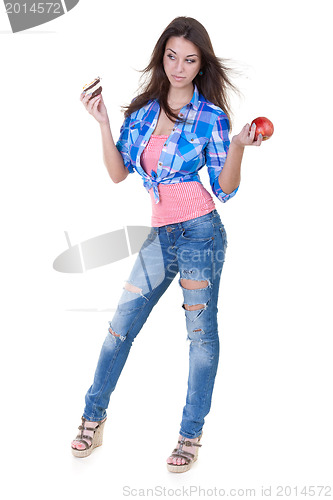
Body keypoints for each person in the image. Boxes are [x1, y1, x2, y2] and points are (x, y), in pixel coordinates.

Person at [71, 16, 262, 472]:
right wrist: (101, 123)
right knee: (120, 327)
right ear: (163, 56)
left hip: (201, 232)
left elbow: (225, 190)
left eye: (190, 60)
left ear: (201, 66)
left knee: (200, 339)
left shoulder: (212, 117)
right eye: (172, 56)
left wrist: (236, 146)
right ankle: (91, 421)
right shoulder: (140, 113)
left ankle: (189, 437)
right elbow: (119, 173)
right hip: (161, 235)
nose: (179, 67)